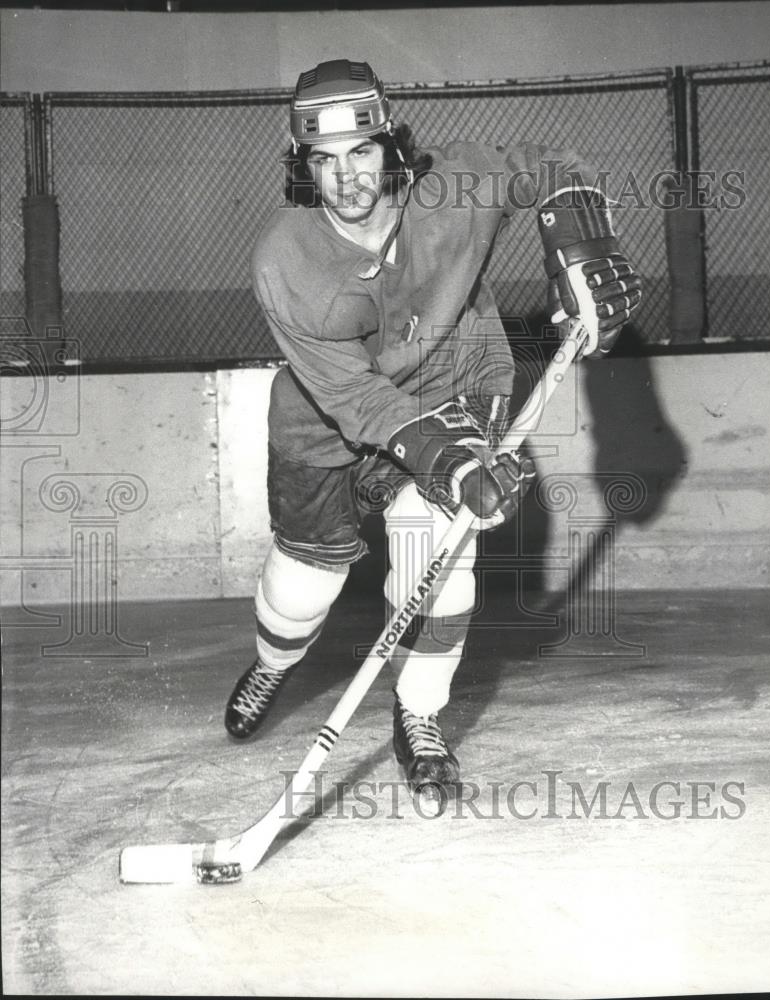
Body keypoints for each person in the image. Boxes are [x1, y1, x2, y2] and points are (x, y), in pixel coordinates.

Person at [224, 59, 641, 808]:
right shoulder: (282, 260)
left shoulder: (454, 188)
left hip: (456, 384)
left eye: (360, 151)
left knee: (436, 563)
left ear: (391, 145)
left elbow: (552, 166)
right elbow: (352, 397)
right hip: (326, 427)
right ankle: (272, 659)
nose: (347, 178)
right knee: (300, 589)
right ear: (301, 168)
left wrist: (581, 245)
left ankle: (418, 715)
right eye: (323, 159)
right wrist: (446, 462)